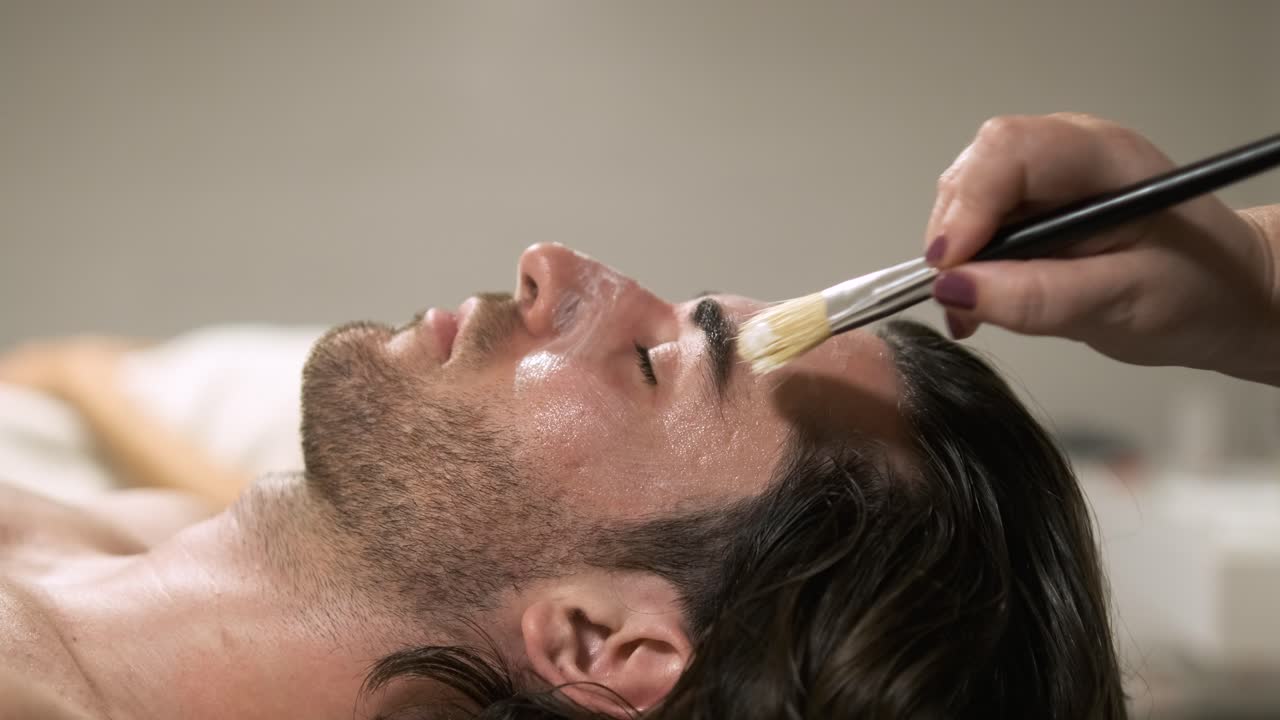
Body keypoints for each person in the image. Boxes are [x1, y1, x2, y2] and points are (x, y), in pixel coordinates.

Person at [0, 109, 1265, 719]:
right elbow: (80, 378)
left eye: (657, 364)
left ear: (603, 642)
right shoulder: (171, 535)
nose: (549, 266)